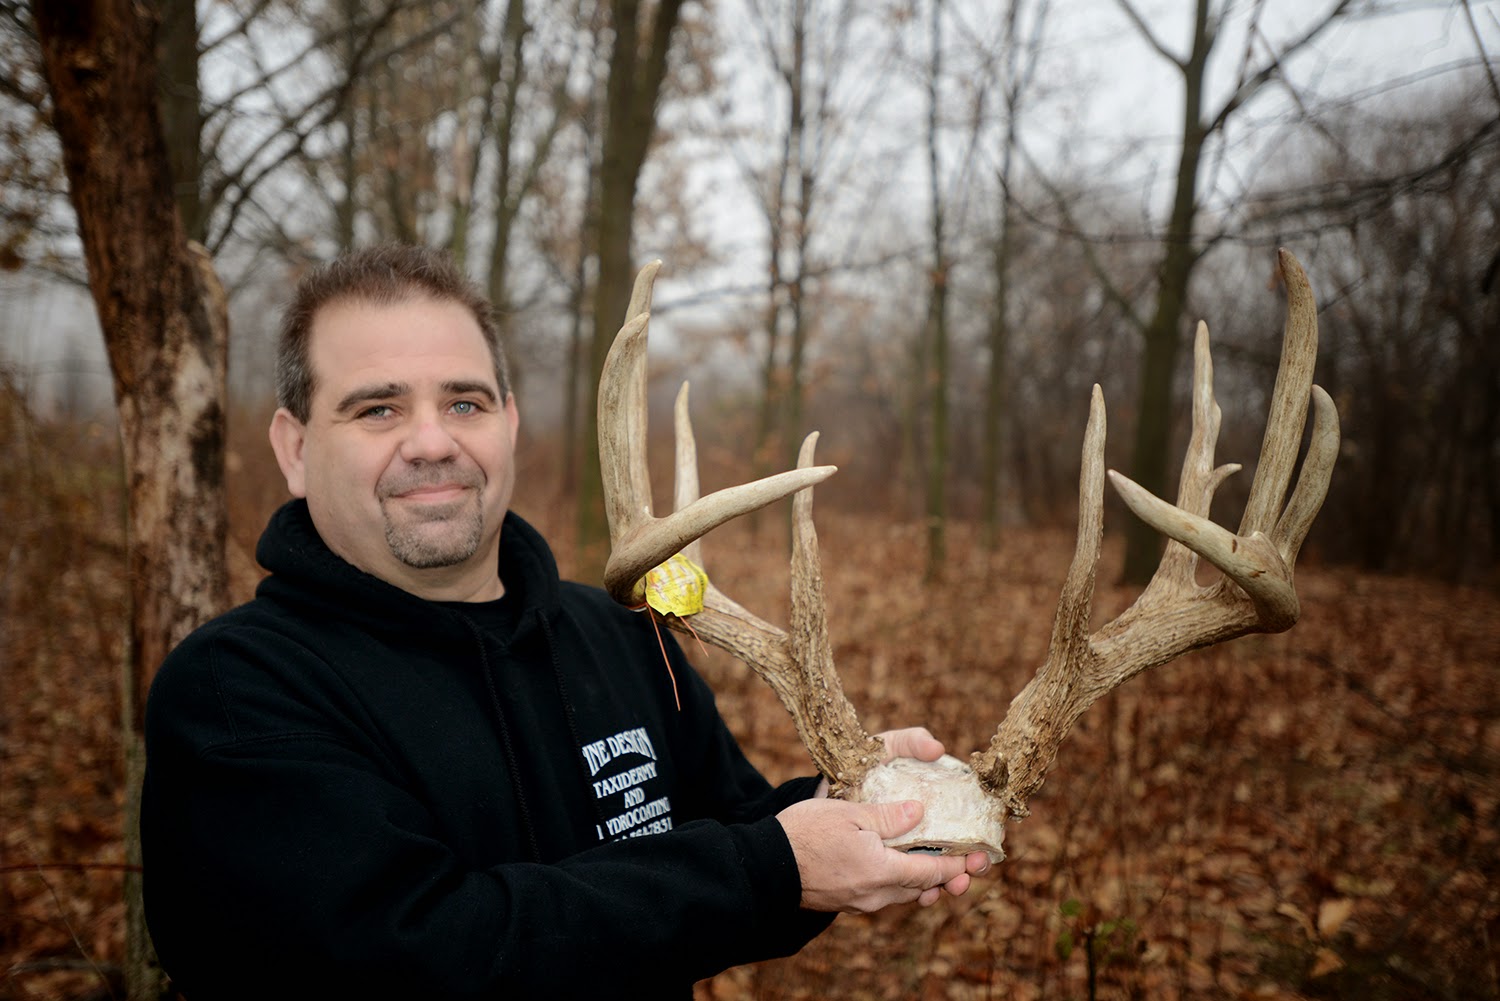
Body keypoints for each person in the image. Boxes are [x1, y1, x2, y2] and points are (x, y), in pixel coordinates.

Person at [141, 244, 988, 1000]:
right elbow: (426, 954)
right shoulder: (235, 696)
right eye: (378, 409)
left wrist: (844, 802)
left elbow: (737, 843)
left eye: (465, 402)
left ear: (510, 421)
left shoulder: (617, 633)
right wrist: (772, 865)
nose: (433, 441)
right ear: (293, 448)